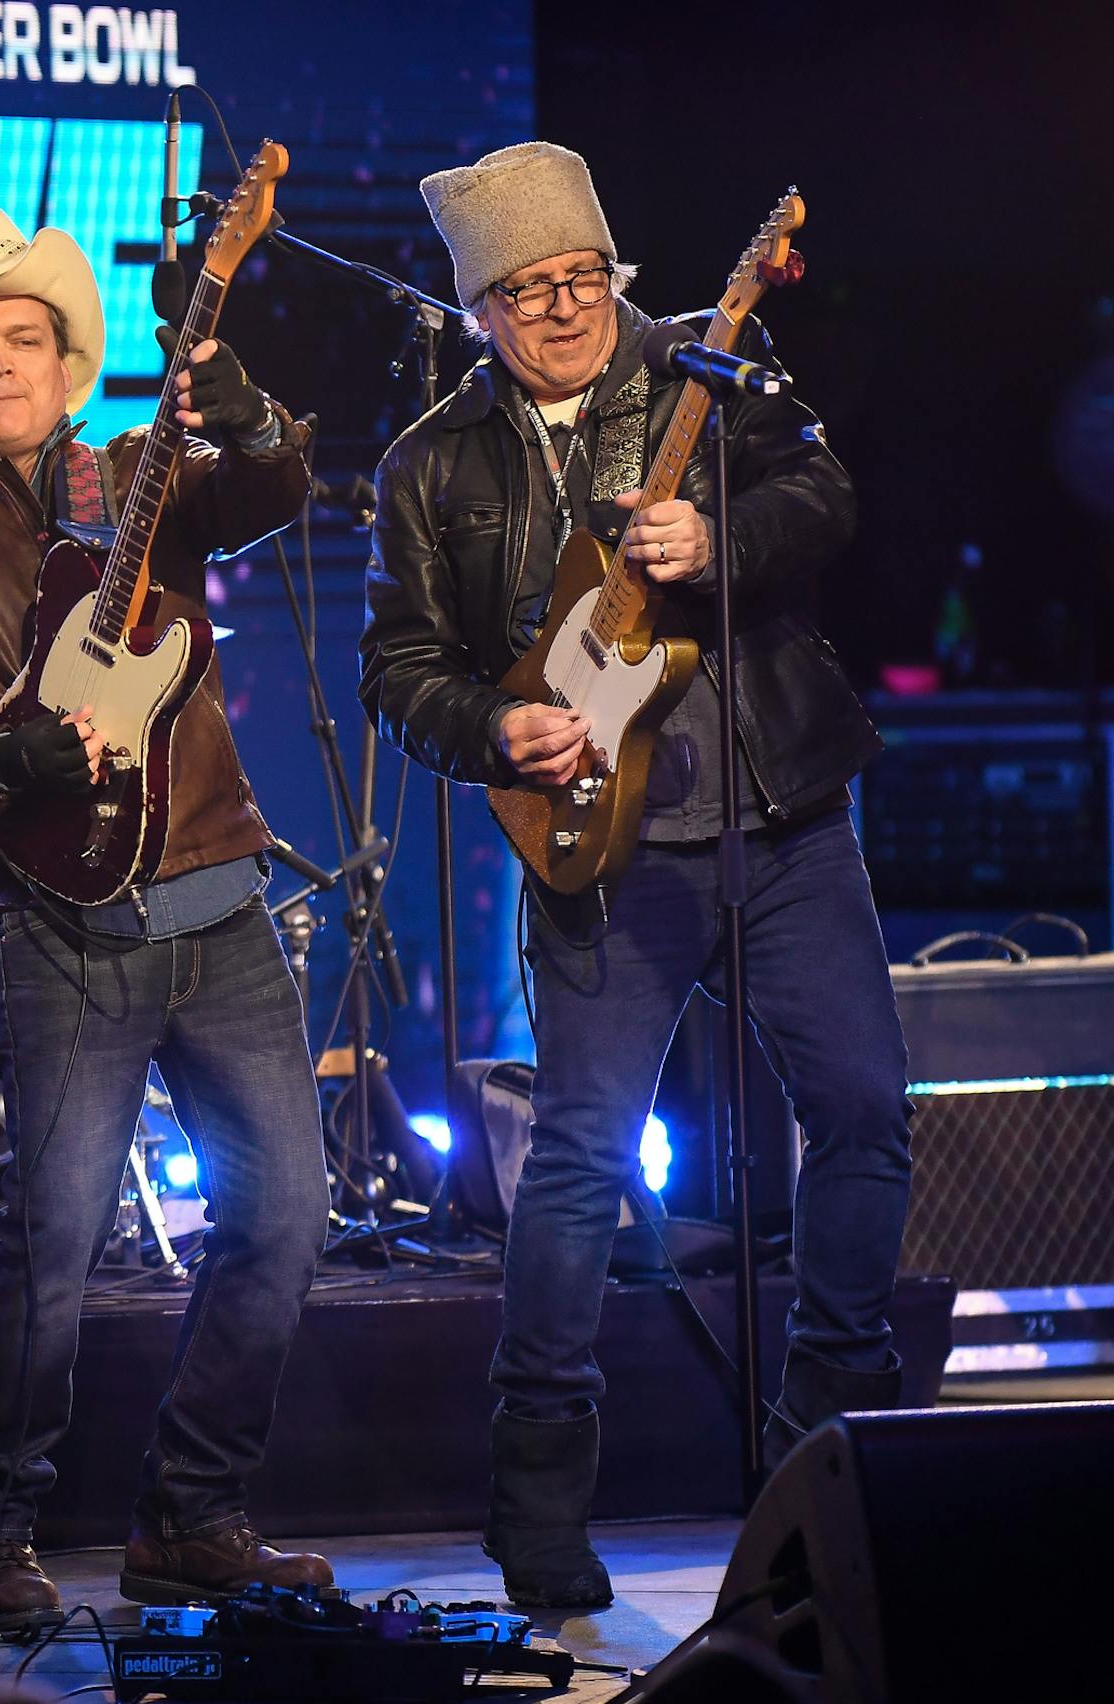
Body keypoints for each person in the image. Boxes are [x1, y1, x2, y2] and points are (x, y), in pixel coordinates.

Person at [359, 142, 913, 1609]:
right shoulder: (433, 465)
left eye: (580, 279)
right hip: (599, 842)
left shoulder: (714, 373)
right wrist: (494, 724)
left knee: (862, 1114)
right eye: (525, 291)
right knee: (581, 1167)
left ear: (615, 275)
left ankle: (823, 1442)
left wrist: (721, 535)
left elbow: (828, 499)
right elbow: (397, 665)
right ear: (477, 309)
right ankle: (537, 1492)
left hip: (780, 811)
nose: (561, 309)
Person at [0, 209, 336, 1630]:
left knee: (288, 1216)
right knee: (53, 1240)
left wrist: (245, 409)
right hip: (59, 920)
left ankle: (194, 1514)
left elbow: (276, 486)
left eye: (23, 341)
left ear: (69, 365)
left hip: (221, 901)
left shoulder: (138, 477)